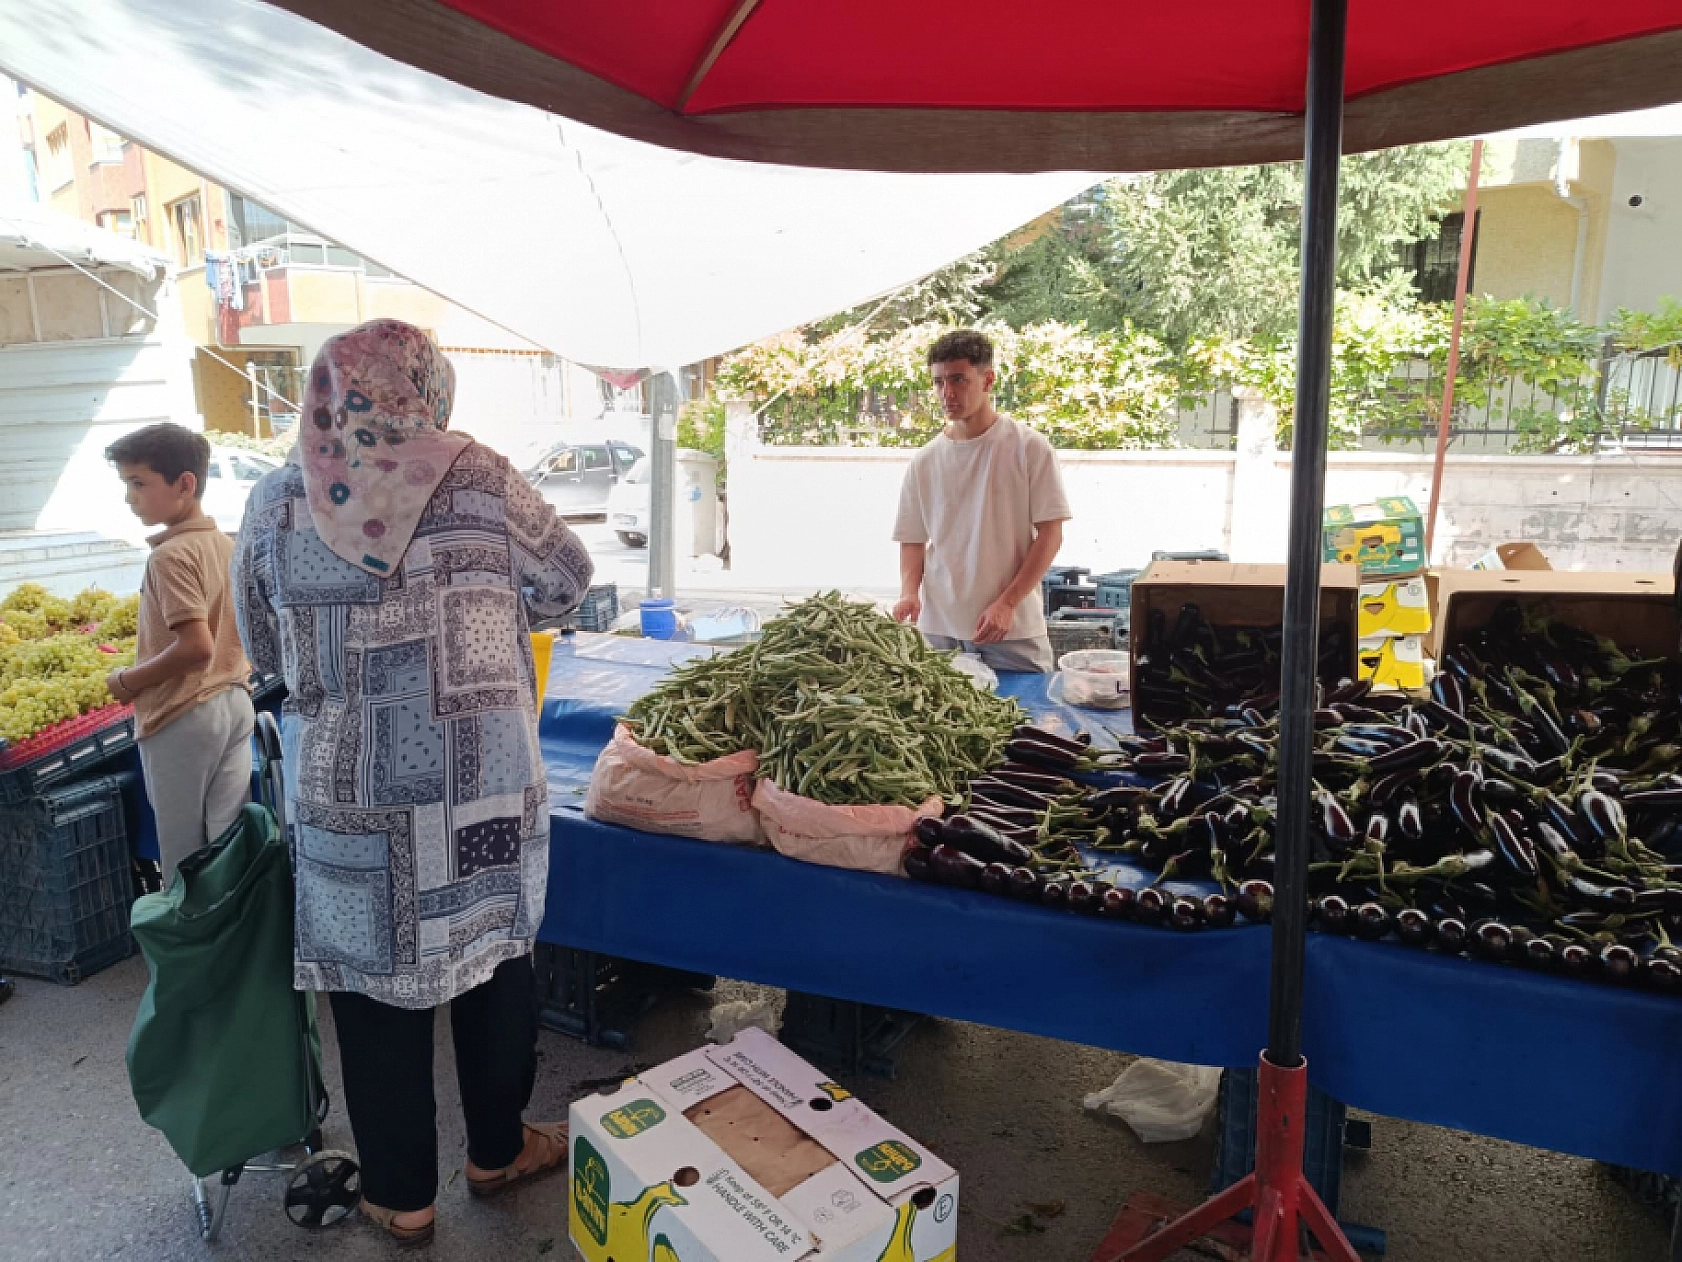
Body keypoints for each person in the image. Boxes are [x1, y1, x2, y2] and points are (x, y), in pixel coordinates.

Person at [232, 320, 594, 1246]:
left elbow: (263, 651)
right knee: (493, 959)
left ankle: (401, 1196)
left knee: (369, 991)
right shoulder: (480, 475)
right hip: (477, 782)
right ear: (427, 388)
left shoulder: (276, 500)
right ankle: (498, 1147)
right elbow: (566, 584)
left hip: (350, 796)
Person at [104, 424, 254, 886]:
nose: (131, 497)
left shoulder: (170, 556)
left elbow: (194, 647)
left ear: (184, 485)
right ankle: (231, 952)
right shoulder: (225, 544)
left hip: (183, 714)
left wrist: (128, 682)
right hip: (234, 703)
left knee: (182, 858)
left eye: (139, 483)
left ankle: (187, 958)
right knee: (228, 850)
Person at [892, 329, 1072, 673]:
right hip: (939, 632)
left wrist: (1007, 603)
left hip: (1013, 629)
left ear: (987, 379)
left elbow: (1051, 535)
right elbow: (912, 540)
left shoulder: (1028, 448)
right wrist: (909, 593)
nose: (947, 393)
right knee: (944, 722)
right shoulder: (925, 460)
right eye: (939, 382)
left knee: (1028, 721)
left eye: (958, 380)